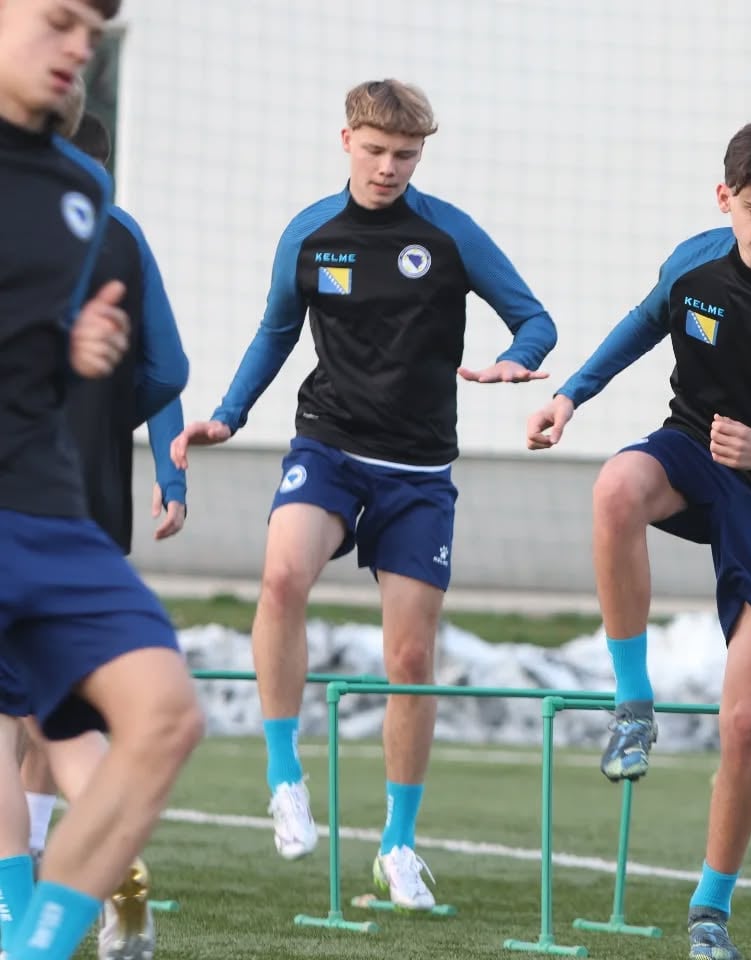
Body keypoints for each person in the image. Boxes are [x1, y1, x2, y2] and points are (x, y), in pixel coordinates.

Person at [171, 78, 557, 911]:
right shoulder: (310, 235)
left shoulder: (449, 234)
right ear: (346, 140)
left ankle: (398, 845)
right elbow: (276, 332)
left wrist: (517, 359)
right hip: (329, 448)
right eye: (376, 150)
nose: (389, 168)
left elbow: (536, 320)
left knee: (410, 660)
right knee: (282, 577)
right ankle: (284, 778)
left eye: (406, 155)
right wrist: (228, 414)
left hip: (418, 472)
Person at [525, 119, 751, 958]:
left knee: (747, 721)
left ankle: (710, 913)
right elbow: (640, 323)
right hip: (696, 451)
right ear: (724, 198)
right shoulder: (694, 265)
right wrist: (570, 396)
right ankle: (632, 705)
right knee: (616, 487)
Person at [0, 1, 204, 958]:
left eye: (94, 30)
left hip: (47, 509)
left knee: (165, 716)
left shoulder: (82, 189)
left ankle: (31, 948)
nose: (81, 47)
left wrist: (73, 350)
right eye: (60, 20)